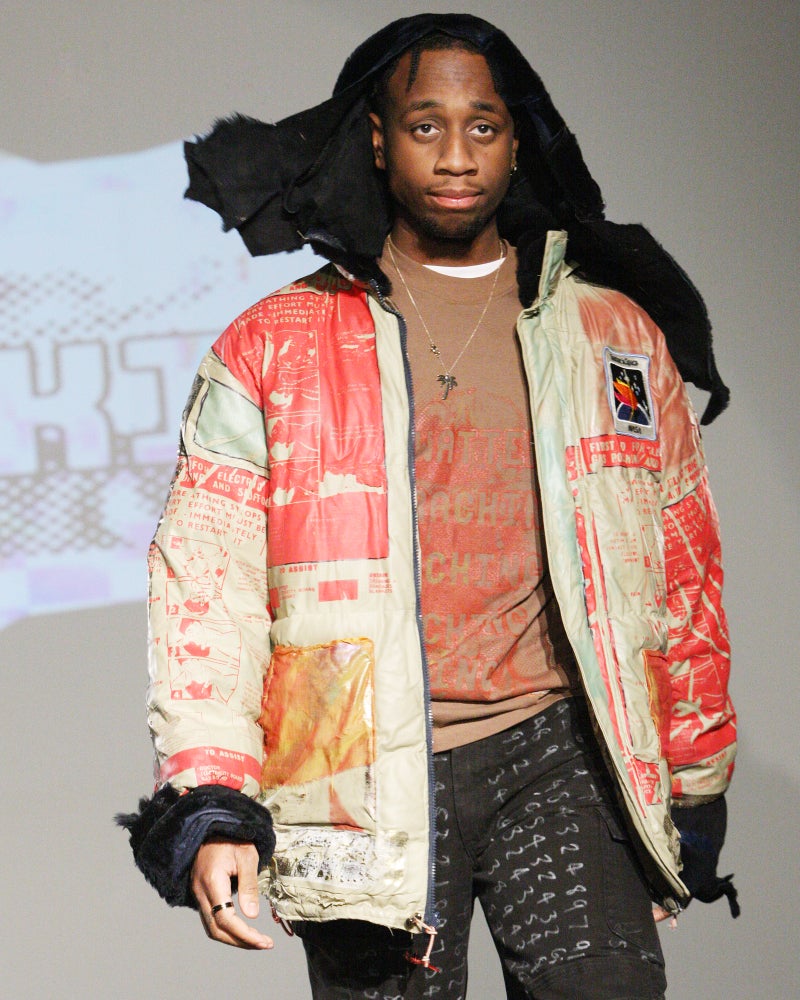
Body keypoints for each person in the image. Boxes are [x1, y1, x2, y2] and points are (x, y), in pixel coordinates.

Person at [119, 14, 738, 999]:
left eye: (482, 126)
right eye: (425, 126)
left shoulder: (609, 333)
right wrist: (214, 801)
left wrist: (693, 778)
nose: (456, 156)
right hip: (355, 773)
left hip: (559, 750)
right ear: (377, 139)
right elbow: (206, 588)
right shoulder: (274, 345)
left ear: (517, 138)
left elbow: (680, 561)